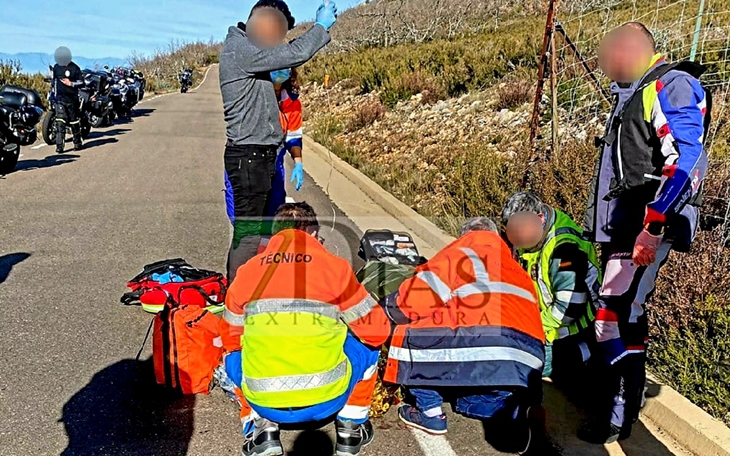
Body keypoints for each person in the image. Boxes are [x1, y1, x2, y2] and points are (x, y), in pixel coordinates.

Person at [580, 22, 710, 444]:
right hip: (626, 227)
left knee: (612, 319)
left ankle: (615, 412)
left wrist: (653, 225)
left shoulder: (670, 86)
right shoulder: (636, 92)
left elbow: (686, 160)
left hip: (643, 227)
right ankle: (620, 407)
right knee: (622, 316)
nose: (606, 63)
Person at [217, 202, 390, 456]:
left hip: (264, 400)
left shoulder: (247, 272)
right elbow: (377, 332)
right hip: (328, 397)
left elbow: (231, 340)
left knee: (232, 356)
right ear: (312, 234)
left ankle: (260, 430)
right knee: (368, 347)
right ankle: (350, 428)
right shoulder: (336, 268)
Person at [381, 217, 547, 455]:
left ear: (466, 235)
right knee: (467, 402)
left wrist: (387, 307)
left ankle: (430, 413)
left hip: (479, 340)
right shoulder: (517, 270)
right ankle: (515, 413)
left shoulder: (463, 251)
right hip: (527, 358)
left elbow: (416, 299)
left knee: (408, 329)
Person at [220, 0, 337, 282]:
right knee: (248, 236)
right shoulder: (242, 50)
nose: (279, 39)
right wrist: (320, 27)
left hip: (260, 156)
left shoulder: (249, 49)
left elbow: (286, 57)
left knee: (261, 232)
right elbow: (293, 54)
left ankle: (257, 286)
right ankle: (237, 299)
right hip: (250, 157)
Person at [502, 192, 601, 382]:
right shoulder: (529, 234)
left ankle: (584, 359)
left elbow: (569, 308)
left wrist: (532, 330)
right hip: (545, 321)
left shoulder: (564, 248)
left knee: (521, 368)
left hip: (572, 331)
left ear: (540, 218)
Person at [224, 67, 305, 251]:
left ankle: (267, 269)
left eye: (285, 67)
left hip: (273, 168)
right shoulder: (251, 94)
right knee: (245, 227)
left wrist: (298, 162)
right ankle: (244, 272)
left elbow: (293, 137)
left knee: (272, 223)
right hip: (245, 165)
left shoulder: (291, 102)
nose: (280, 71)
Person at [51, 46, 84, 153]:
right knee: (60, 121)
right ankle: (59, 146)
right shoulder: (56, 67)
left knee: (74, 121)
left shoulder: (75, 68)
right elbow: (54, 82)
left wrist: (71, 83)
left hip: (72, 99)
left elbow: (81, 82)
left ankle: (77, 143)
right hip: (60, 99)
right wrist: (53, 96)